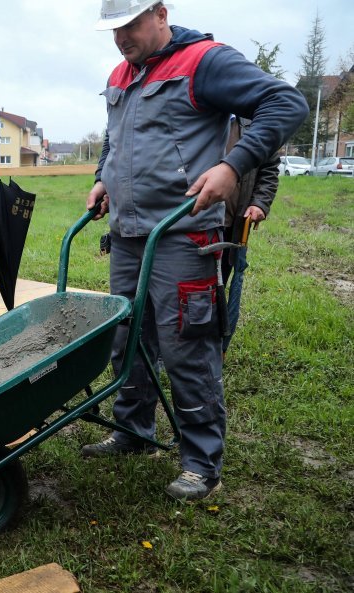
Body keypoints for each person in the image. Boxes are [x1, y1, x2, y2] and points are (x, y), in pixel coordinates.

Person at [81, 1, 308, 500]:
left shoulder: (205, 61)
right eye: (113, 28)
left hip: (183, 233)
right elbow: (115, 141)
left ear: (160, 14)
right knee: (129, 338)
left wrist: (233, 165)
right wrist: (102, 177)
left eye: (131, 24)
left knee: (188, 344)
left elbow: (286, 103)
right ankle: (133, 430)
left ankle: (201, 462)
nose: (121, 37)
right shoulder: (122, 72)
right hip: (127, 236)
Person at [221, 115, 279, 355]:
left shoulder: (256, 123)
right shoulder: (199, 114)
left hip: (231, 226)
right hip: (190, 223)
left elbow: (269, 170)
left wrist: (260, 203)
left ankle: (217, 345)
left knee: (219, 285)